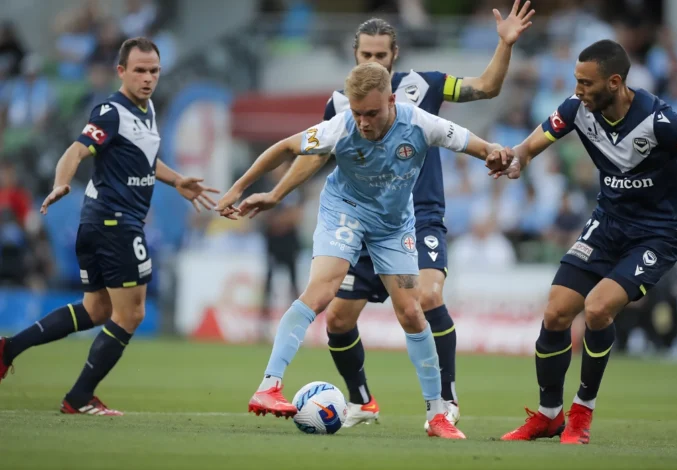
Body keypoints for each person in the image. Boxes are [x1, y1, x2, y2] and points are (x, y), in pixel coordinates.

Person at [266, 1, 535, 429]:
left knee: (425, 299)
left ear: (395, 56)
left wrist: (504, 45)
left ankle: (444, 403)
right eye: (366, 55)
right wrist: (280, 193)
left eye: (381, 55)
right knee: (337, 318)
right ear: (355, 57)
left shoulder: (424, 86)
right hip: (359, 218)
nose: (374, 61)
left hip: (417, 216)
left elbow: (485, 87)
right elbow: (315, 157)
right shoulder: (342, 104)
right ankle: (361, 402)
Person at [215, 62, 511, 439]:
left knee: (411, 312)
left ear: (391, 100)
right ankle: (269, 386)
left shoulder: (420, 123)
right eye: (357, 113)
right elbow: (286, 146)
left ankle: (437, 415)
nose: (364, 122)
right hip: (346, 211)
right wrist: (239, 189)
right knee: (322, 292)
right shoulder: (340, 127)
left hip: (394, 225)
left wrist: (495, 153)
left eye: (371, 113)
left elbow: (474, 143)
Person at [487, 39, 677, 444]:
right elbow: (530, 146)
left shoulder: (660, 121)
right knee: (556, 313)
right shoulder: (578, 109)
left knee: (597, 310)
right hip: (609, 223)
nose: (577, 90)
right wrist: (515, 160)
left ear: (614, 82)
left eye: (585, 82)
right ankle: (549, 415)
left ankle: (582, 413)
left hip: (658, 232)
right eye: (576, 81)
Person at [0, 37, 219, 415]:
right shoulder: (110, 111)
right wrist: (61, 182)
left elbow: (142, 158)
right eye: (139, 70)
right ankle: (79, 397)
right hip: (115, 223)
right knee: (131, 314)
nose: (148, 78)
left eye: (154, 71)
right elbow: (76, 150)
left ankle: (9, 348)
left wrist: (177, 179)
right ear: (121, 71)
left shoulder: (146, 111)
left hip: (101, 222)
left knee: (96, 309)